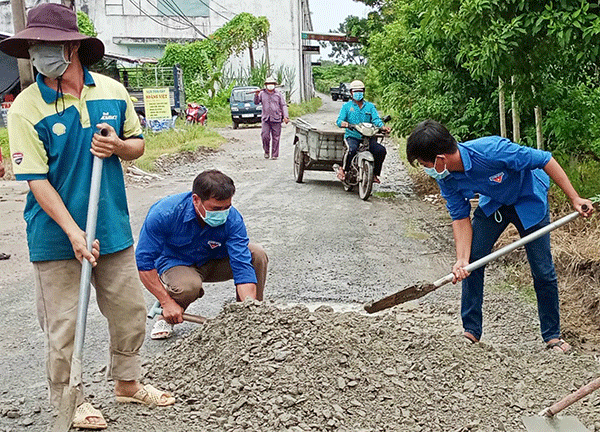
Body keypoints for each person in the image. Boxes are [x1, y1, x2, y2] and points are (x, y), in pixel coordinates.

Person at [1, 4, 174, 429]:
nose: (40, 53)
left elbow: (137, 145)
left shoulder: (112, 92)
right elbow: (36, 179)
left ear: (73, 47)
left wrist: (118, 146)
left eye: (48, 44)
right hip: (55, 235)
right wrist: (74, 232)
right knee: (63, 325)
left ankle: (127, 383)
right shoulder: (25, 108)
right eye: (34, 45)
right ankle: (71, 398)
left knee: (130, 311)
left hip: (111, 224)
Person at [406, 119, 593, 352]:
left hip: (528, 198)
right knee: (472, 262)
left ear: (440, 159)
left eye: (425, 164)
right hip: (495, 203)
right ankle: (471, 331)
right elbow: (460, 217)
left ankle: (552, 336)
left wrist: (574, 198)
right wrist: (462, 259)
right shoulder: (446, 177)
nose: (426, 169)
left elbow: (545, 159)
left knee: (543, 270)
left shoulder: (492, 150)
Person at [136, 169, 268, 339]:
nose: (222, 213)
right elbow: (144, 263)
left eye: (227, 207)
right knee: (188, 287)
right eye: (216, 208)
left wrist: (249, 308)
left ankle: (249, 315)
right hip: (177, 263)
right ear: (196, 199)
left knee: (257, 254)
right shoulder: (164, 214)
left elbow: (242, 267)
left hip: (214, 260)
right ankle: (167, 315)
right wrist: (166, 301)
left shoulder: (232, 219)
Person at [336, 80, 390, 184]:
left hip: (368, 137)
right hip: (352, 136)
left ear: (364, 92)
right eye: (355, 91)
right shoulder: (346, 107)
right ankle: (344, 169)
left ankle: (374, 174)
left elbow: (376, 119)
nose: (358, 93)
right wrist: (346, 124)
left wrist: (383, 127)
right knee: (351, 150)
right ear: (351, 93)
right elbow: (339, 121)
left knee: (381, 150)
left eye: (360, 91)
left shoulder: (370, 106)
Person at [254, 76, 289, 160]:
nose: (270, 85)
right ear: (266, 85)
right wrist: (256, 95)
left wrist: (285, 116)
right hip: (266, 119)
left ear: (274, 85)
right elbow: (256, 102)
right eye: (268, 84)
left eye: (272, 83)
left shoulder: (278, 94)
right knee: (265, 136)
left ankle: (274, 154)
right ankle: (266, 151)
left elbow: (283, 105)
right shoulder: (262, 94)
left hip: (276, 118)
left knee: (276, 137)